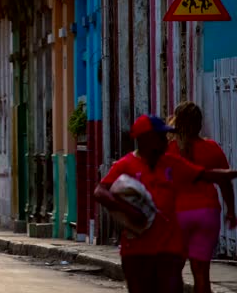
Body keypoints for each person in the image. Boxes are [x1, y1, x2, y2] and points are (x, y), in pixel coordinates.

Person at [94, 114, 237, 293]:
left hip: (169, 249)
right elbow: (100, 191)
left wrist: (230, 174)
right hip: (136, 250)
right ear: (146, 139)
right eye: (160, 136)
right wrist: (127, 210)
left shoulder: (171, 162)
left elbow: (205, 175)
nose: (165, 140)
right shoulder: (125, 165)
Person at [170, 102, 237, 293]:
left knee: (174, 270)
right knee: (201, 273)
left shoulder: (170, 151)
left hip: (178, 215)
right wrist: (231, 211)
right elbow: (225, 182)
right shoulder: (212, 148)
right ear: (199, 124)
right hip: (207, 213)